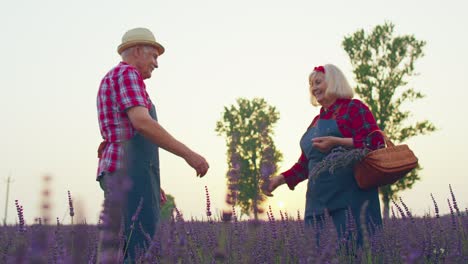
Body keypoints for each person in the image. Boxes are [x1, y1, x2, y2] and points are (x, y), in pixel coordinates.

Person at [96, 27, 209, 261]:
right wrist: (189, 154)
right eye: (154, 56)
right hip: (128, 172)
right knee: (142, 247)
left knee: (120, 249)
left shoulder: (113, 78)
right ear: (137, 51)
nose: (156, 64)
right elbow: (142, 123)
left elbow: (122, 132)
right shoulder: (127, 74)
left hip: (121, 171)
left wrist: (151, 182)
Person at [264, 64, 383, 247]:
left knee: (352, 254)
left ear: (334, 82)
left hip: (350, 203)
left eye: (318, 82)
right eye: (311, 84)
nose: (314, 88)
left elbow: (375, 142)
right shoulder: (316, 121)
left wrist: (337, 142)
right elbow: (306, 164)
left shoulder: (354, 108)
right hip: (317, 204)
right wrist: (278, 180)